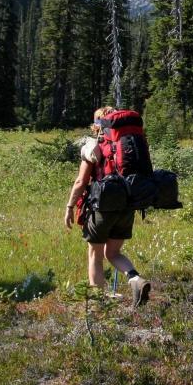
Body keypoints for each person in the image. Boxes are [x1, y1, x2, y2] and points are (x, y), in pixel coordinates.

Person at [64, 106, 152, 307]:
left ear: (98, 125)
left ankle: (98, 302)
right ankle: (136, 279)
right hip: (127, 207)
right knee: (113, 253)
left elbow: (80, 181)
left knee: (95, 254)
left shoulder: (95, 148)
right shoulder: (128, 145)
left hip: (101, 208)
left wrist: (69, 207)